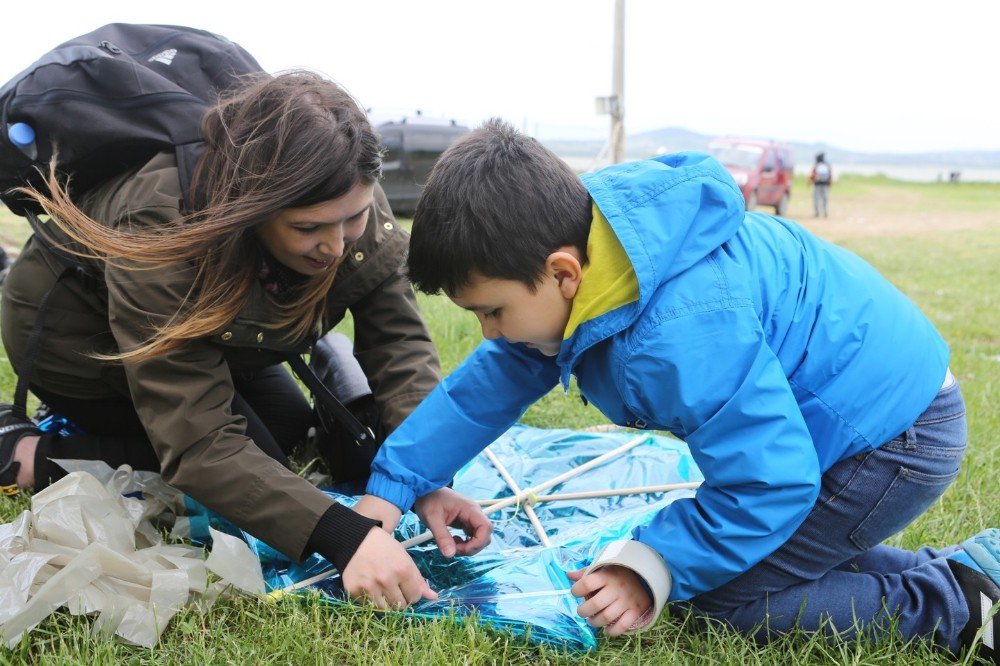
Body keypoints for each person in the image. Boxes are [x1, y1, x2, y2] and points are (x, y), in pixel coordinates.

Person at [352, 120, 1000, 658]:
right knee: (762, 561)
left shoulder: (678, 332)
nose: (489, 334)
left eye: (491, 311)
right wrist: (394, 486)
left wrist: (651, 563)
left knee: (728, 602)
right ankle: (974, 568)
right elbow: (484, 388)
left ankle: (954, 604)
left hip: (892, 439)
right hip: (855, 420)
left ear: (562, 273)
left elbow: (768, 482)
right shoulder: (599, 257)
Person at [0, 71, 446, 603]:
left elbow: (401, 345)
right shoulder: (159, 221)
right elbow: (201, 442)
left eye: (353, 218)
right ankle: (23, 450)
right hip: (79, 338)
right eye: (308, 229)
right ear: (250, 205)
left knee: (281, 429)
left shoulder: (344, 194)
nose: (335, 245)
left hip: (224, 335)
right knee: (229, 471)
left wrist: (428, 473)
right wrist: (345, 537)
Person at [809, 152, 833, 217]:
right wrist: (830, 184)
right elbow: (830, 175)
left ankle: (817, 213)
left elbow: (812, 174)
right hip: (825, 185)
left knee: (816, 199)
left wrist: (810, 182)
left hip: (817, 185)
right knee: (825, 199)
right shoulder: (827, 165)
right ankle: (825, 213)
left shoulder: (817, 165)